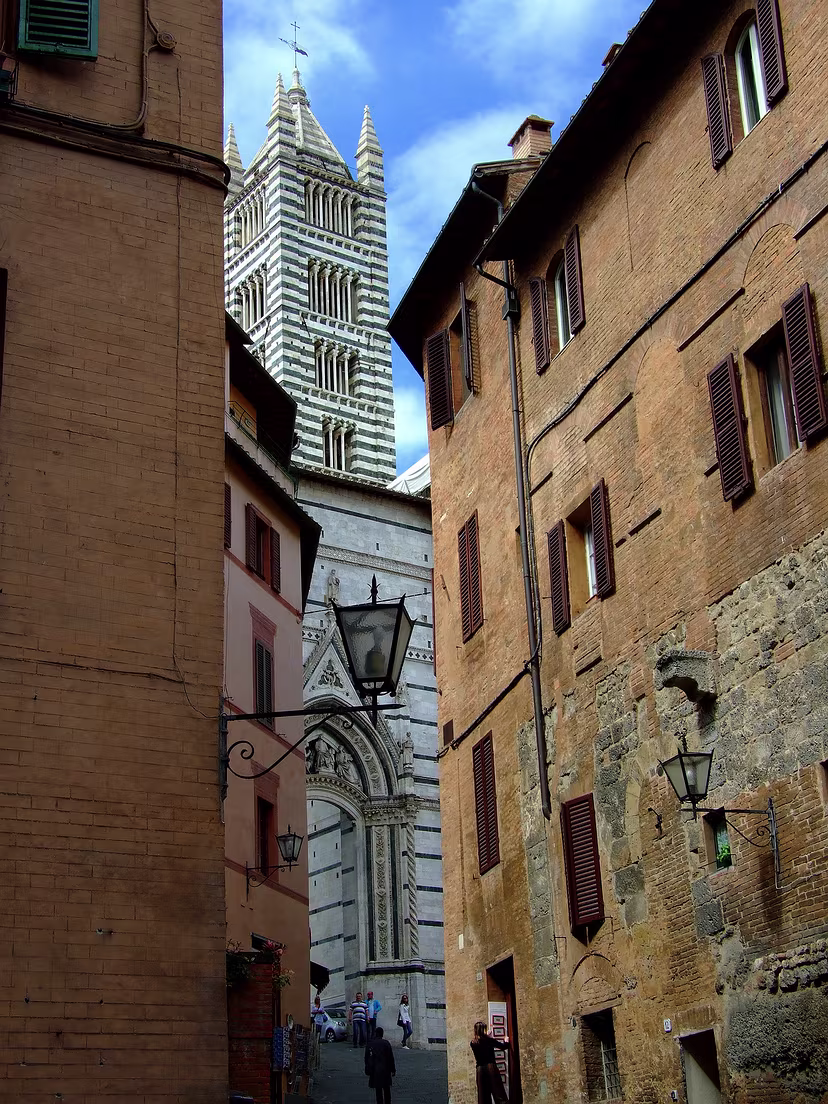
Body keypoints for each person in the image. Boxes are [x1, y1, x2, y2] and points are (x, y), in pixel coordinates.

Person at [470, 1021, 509, 1104]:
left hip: (480, 1070)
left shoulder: (473, 1043)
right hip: (490, 1067)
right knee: (498, 1092)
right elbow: (503, 1046)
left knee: (483, 1095)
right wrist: (506, 1040)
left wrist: (487, 1036)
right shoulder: (489, 1040)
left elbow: (481, 1043)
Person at [365, 1026, 396, 1104]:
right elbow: (391, 1058)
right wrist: (393, 1069)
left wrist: (368, 1068)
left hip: (375, 1069)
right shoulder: (386, 1043)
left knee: (378, 1090)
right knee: (386, 1089)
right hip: (385, 1069)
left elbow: (366, 1057)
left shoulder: (370, 1043)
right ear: (382, 1034)